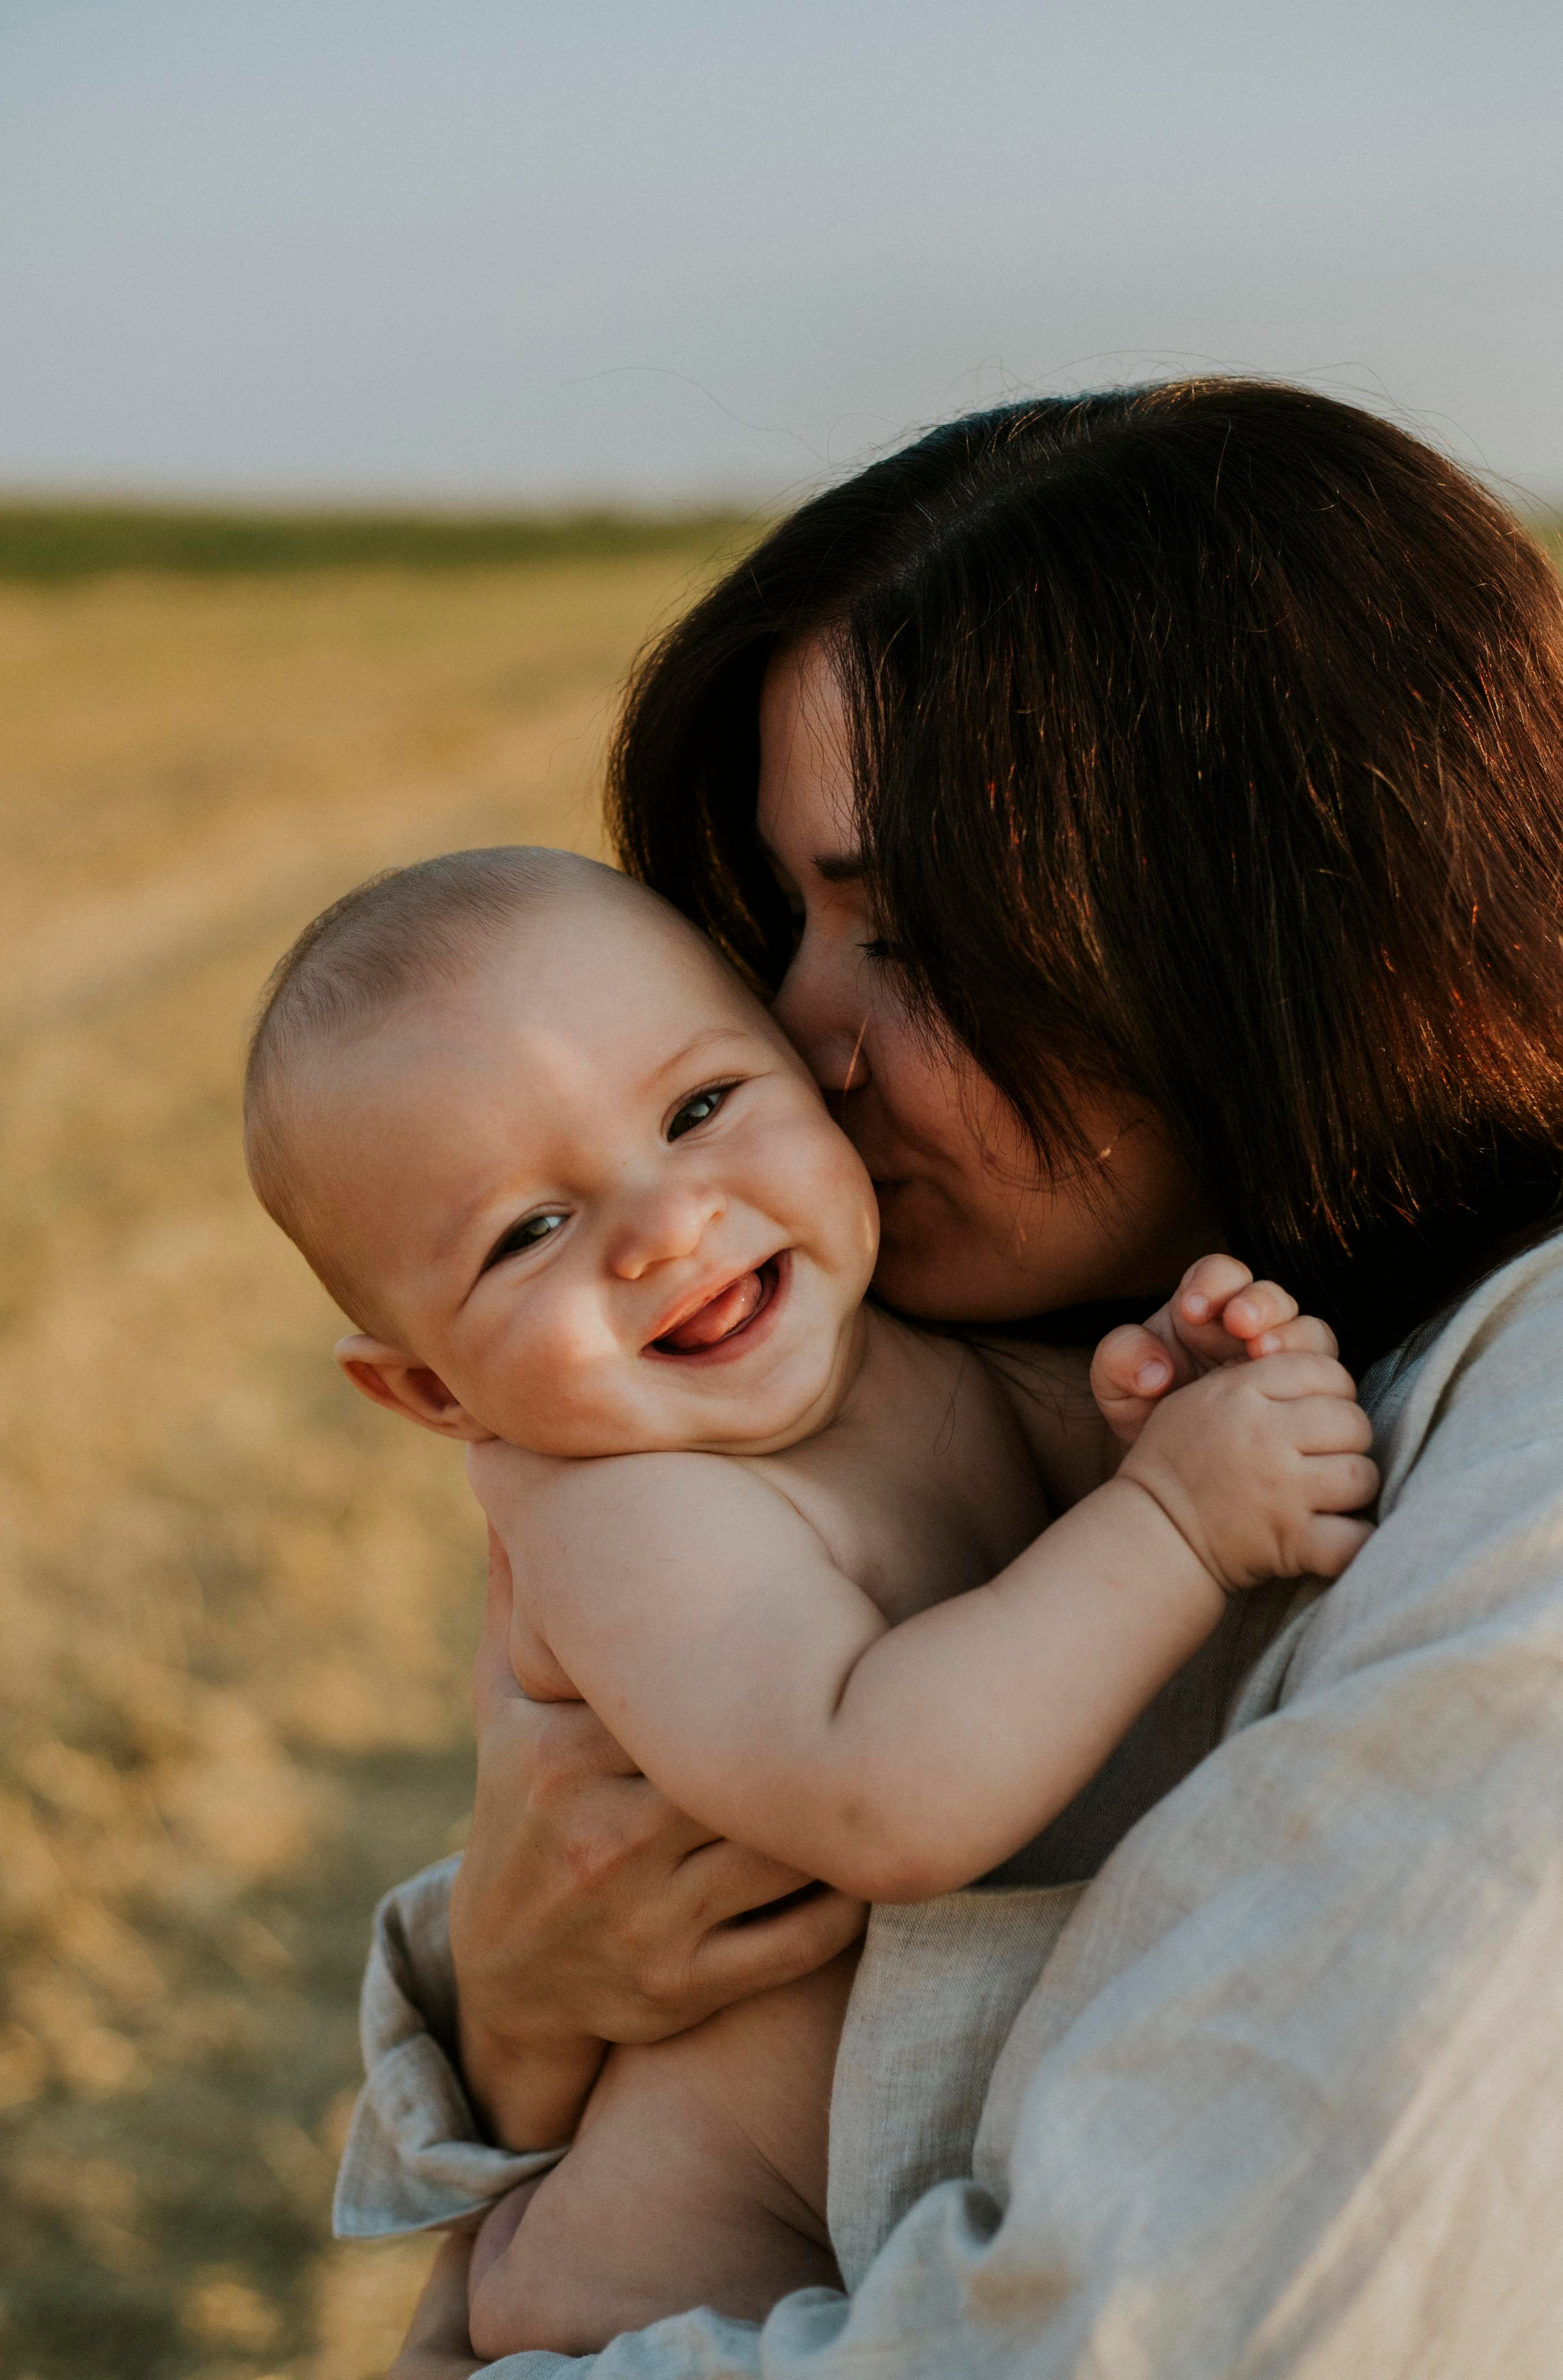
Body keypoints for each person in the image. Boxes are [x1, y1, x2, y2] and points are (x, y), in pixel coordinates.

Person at [345, 380, 1563, 2376]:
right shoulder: (998, 1374)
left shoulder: (1532, 1444)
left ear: (1277, 930)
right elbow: (646, 1882)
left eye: (907, 933)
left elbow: (1181, 2330)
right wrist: (504, 1994)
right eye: (789, 916)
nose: (797, 1043)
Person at [244, 844, 1373, 2355]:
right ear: (431, 1392)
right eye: (527, 1232)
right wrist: (1171, 1517)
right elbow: (877, 1788)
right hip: (690, 2270)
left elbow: (1038, 1547)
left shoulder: (884, 1342)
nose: (662, 1226)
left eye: (699, 1109)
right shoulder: (621, 1511)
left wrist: (1155, 1400)